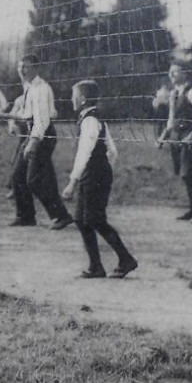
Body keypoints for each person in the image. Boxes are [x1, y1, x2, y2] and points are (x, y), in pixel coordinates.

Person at [61, 79, 137, 279]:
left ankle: (126, 259)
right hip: (96, 173)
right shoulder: (96, 118)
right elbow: (112, 151)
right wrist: (105, 168)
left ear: (83, 99)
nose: (71, 100)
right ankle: (96, 266)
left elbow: (84, 153)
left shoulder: (90, 121)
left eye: (74, 96)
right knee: (80, 219)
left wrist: (72, 181)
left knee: (94, 219)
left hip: (93, 175)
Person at [7, 52, 74, 230]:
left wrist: (33, 142)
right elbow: (26, 113)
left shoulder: (41, 89)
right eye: (20, 66)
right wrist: (9, 117)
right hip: (31, 132)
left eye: (26, 66)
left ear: (36, 68)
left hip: (42, 135)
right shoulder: (28, 87)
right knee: (17, 176)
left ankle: (61, 215)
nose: (22, 70)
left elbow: (42, 119)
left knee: (35, 179)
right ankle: (26, 216)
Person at [157, 63, 192, 222]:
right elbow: (171, 118)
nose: (172, 75)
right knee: (182, 173)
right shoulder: (173, 93)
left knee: (188, 172)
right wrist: (163, 136)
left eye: (176, 72)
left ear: (185, 73)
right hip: (176, 135)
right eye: (170, 72)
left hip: (189, 134)